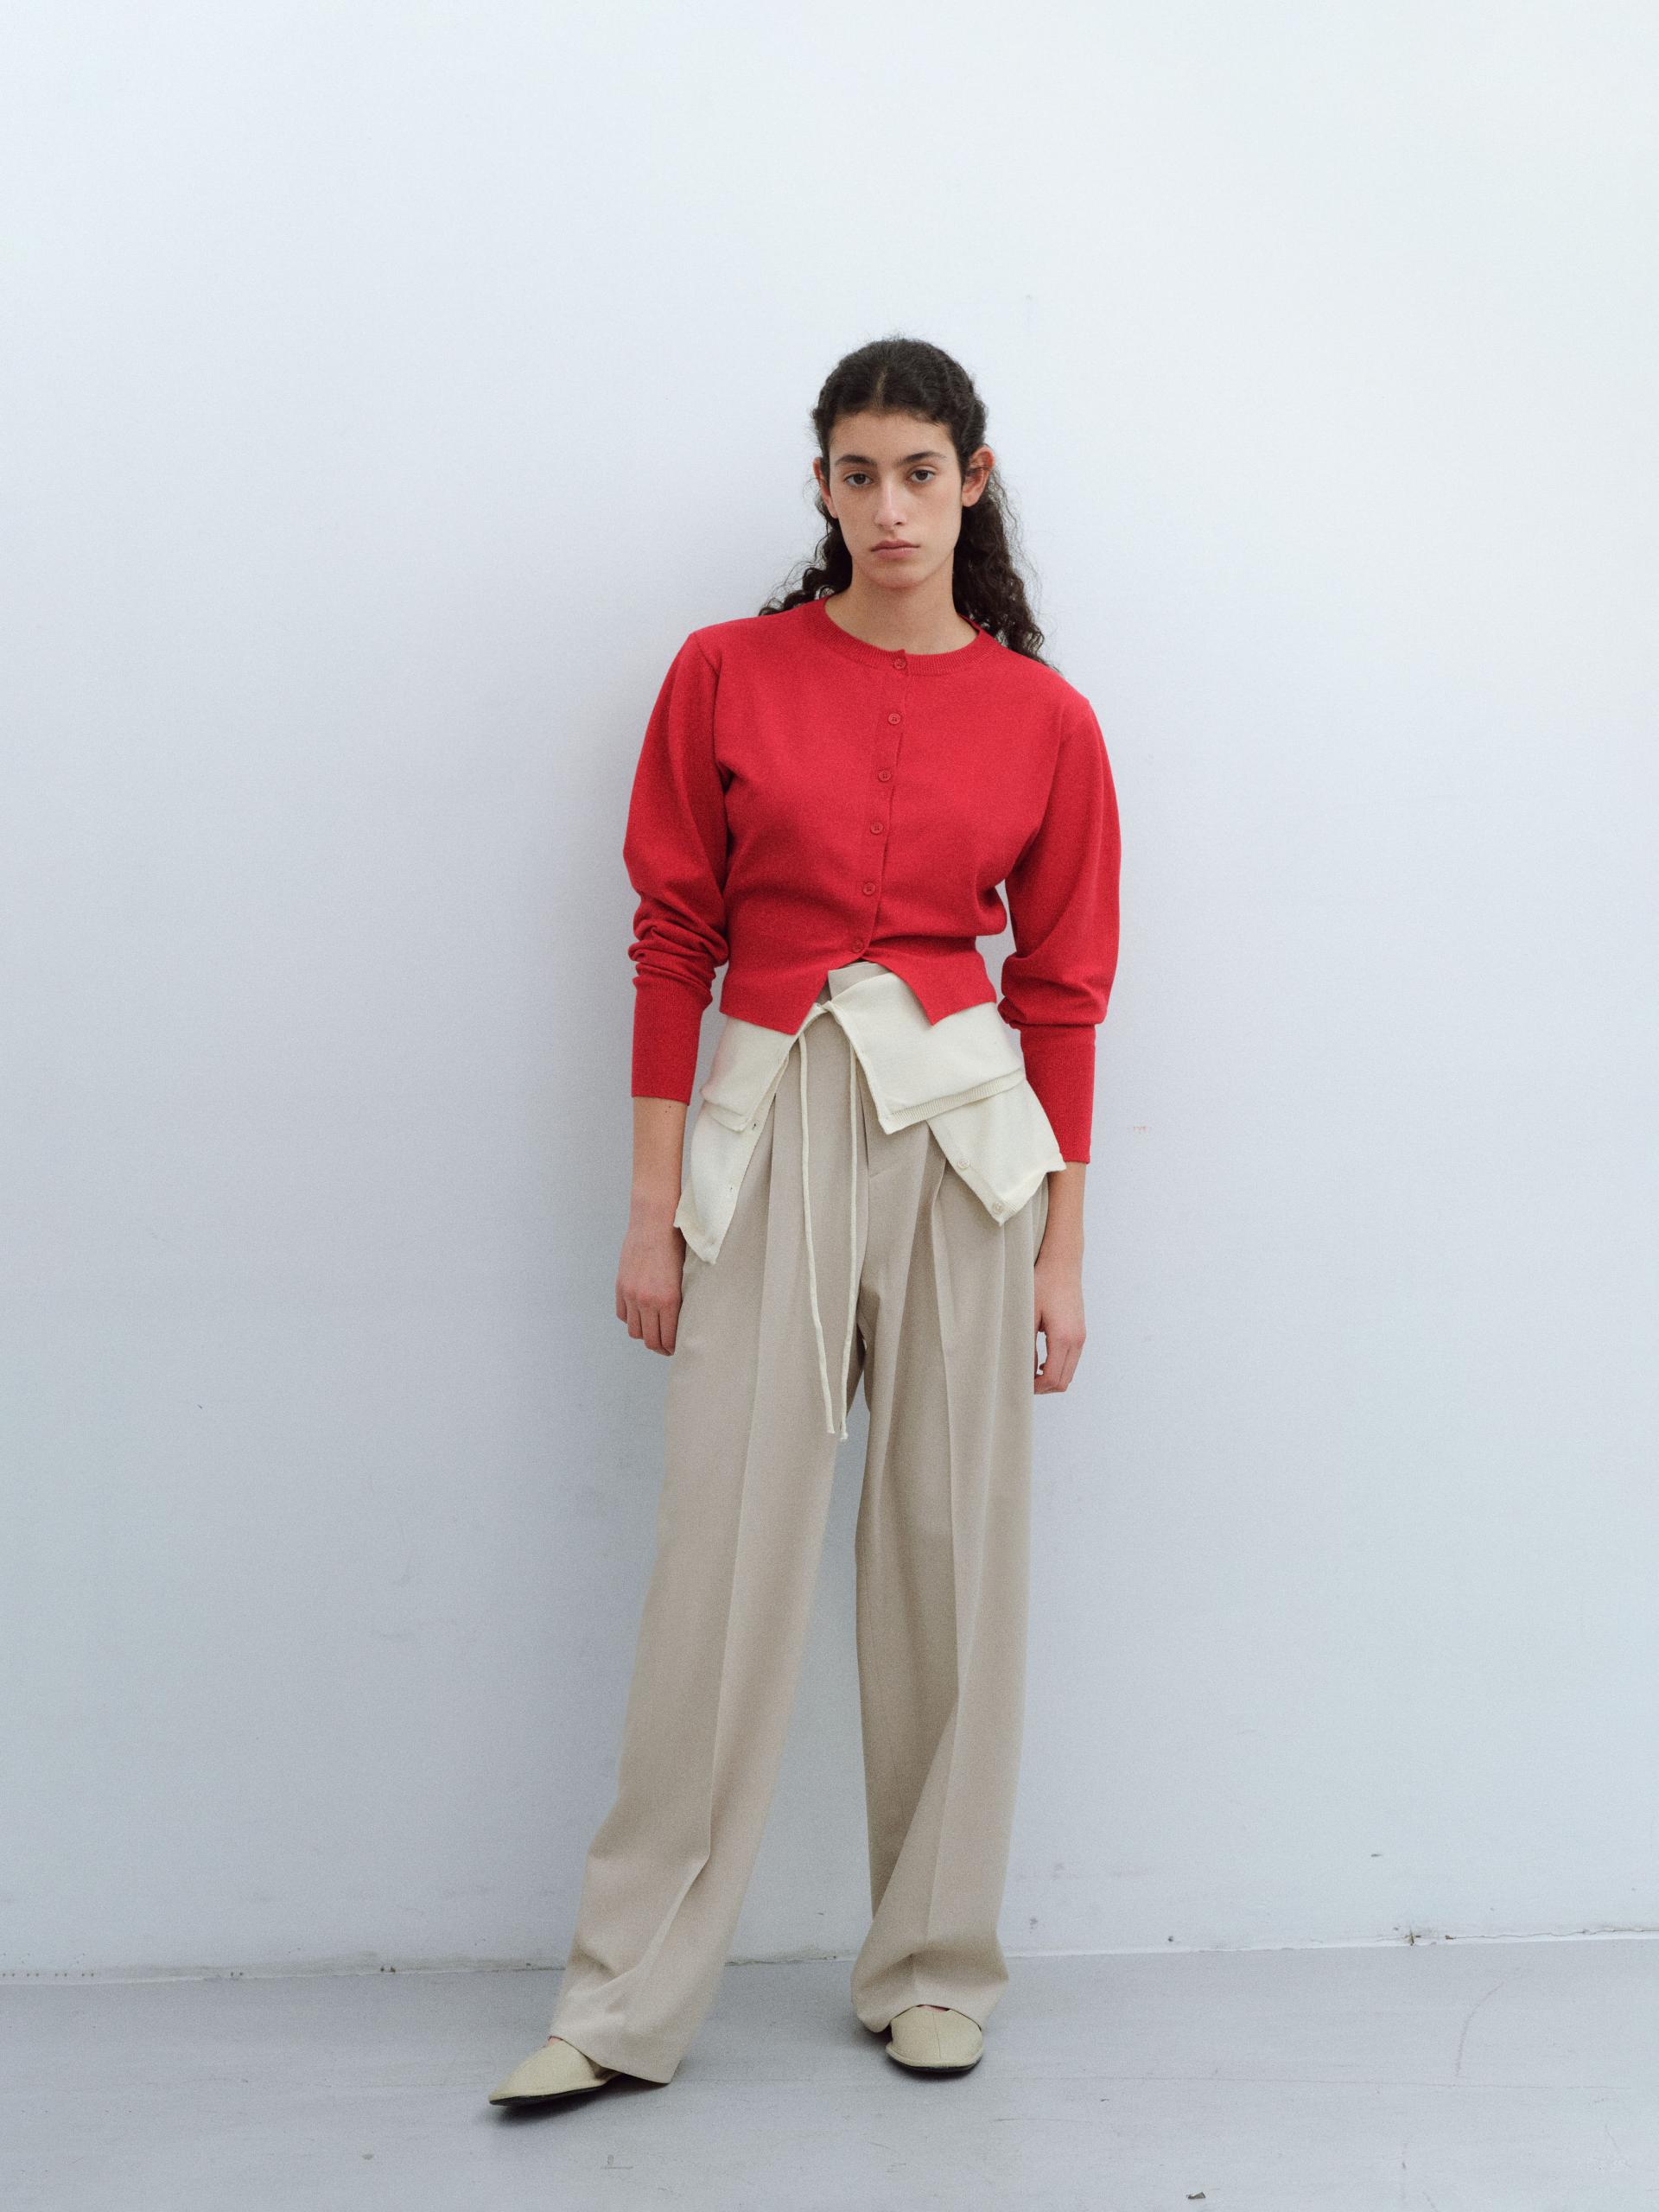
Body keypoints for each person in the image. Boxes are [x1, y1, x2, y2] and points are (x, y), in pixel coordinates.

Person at [488, 334, 1122, 2107]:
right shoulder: (726, 674)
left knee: (951, 1557)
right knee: (721, 1561)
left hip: (968, 1152)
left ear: (972, 479)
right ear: (824, 486)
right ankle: (624, 1996)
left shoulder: (1047, 718)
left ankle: (933, 1964)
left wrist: (1066, 1250)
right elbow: (671, 940)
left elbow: (1065, 990)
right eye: (858, 474)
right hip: (763, 1130)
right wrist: (652, 1212)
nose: (889, 506)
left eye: (921, 471)